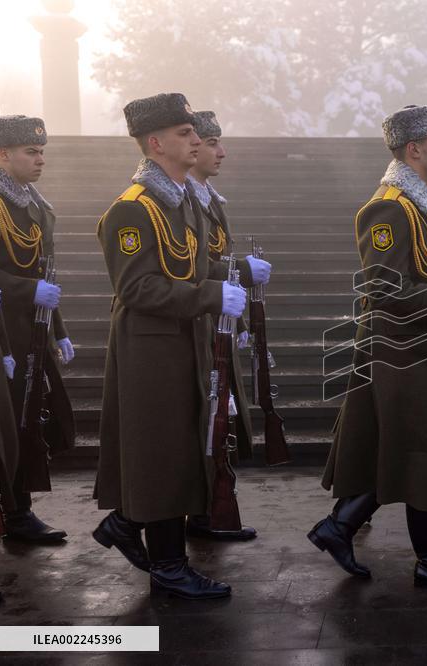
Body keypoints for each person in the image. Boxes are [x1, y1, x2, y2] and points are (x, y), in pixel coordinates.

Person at [93, 92, 268, 599]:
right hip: (150, 350)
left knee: (181, 447)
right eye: (185, 133)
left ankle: (128, 527)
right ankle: (168, 566)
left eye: (195, 132)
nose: (196, 140)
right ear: (156, 143)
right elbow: (137, 288)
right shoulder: (133, 209)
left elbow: (191, 267)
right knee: (163, 452)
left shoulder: (181, 198)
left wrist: (229, 277)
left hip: (182, 341)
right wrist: (212, 293)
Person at [311, 105, 427, 592]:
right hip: (397, 349)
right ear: (414, 151)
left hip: (423, 342)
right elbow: (385, 291)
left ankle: (341, 526)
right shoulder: (389, 207)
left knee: (412, 448)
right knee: (420, 449)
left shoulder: (425, 203)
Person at [0, 113, 75, 543]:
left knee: (29, 421)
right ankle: (12, 511)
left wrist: (59, 329)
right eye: (32, 151)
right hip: (2, 331)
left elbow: (48, 274)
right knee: (8, 425)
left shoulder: (38, 206)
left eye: (42, 151)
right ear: (3, 154)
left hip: (33, 330)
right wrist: (29, 291)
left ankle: (18, 510)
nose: (40, 159)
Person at [186, 110, 258, 541]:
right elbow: (196, 271)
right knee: (201, 420)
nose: (220, 151)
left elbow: (218, 266)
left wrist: (241, 316)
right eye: (211, 142)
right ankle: (198, 513)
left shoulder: (208, 198)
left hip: (218, 321)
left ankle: (207, 511)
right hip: (195, 321)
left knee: (218, 419)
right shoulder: (184, 200)